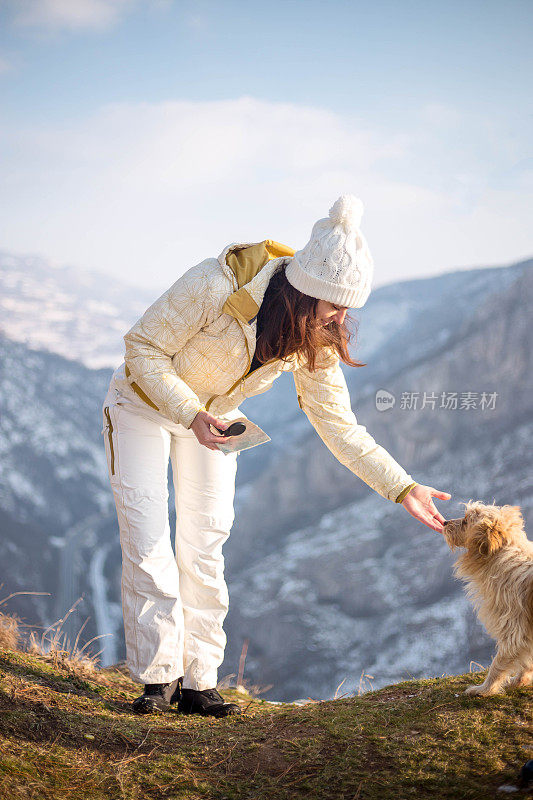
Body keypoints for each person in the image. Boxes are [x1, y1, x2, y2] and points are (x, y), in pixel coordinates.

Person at [101, 194, 450, 718]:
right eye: (335, 304)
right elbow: (143, 347)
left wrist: (403, 487)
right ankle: (158, 679)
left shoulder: (316, 336)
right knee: (149, 544)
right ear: (304, 291)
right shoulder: (218, 283)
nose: (342, 317)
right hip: (144, 406)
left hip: (214, 424)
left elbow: (338, 425)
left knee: (206, 541)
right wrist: (189, 410)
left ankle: (199, 682)